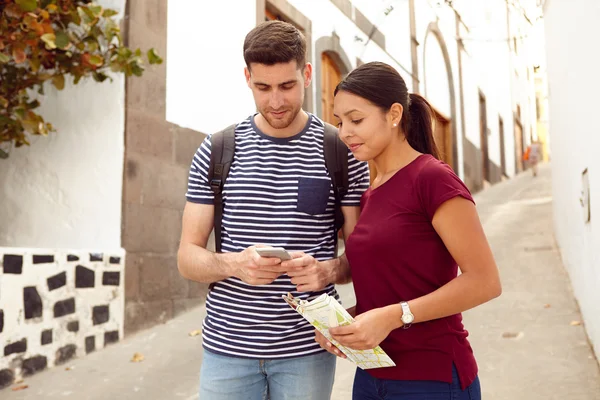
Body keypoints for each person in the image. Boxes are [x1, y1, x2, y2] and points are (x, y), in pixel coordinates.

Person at [177, 20, 370, 400]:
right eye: (263, 88)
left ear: (308, 74)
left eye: (287, 85)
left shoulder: (342, 153)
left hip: (308, 352)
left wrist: (326, 269)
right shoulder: (216, 151)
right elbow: (187, 257)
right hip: (227, 351)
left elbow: (362, 257)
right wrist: (235, 265)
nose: (276, 101)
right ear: (247, 77)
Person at [315, 61, 502, 399]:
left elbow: (485, 282)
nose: (344, 132)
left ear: (394, 114)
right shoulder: (371, 192)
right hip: (372, 376)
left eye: (356, 120)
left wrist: (393, 316)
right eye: (340, 122)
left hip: (431, 378)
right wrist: (351, 325)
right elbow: (393, 287)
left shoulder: (432, 179)